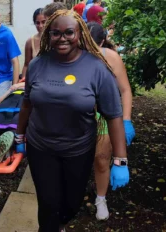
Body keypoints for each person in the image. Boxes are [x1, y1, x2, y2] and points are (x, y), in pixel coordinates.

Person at [15, 9, 130, 231]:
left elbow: (113, 116)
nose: (62, 38)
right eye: (56, 33)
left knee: (71, 204)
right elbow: (27, 103)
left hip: (78, 149)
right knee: (48, 205)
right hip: (41, 147)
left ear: (80, 34)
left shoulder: (96, 68)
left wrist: (120, 160)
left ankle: (60, 223)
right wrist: (20, 135)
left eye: (69, 32)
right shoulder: (38, 64)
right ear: (49, 34)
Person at [87, 21, 135, 221]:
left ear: (103, 42)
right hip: (80, 116)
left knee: (101, 159)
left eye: (93, 46)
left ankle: (100, 198)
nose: (89, 50)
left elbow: (125, 90)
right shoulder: (74, 54)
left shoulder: (112, 58)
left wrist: (126, 120)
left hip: (106, 116)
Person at [21, 8, 45, 79]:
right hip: (35, 80)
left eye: (43, 22)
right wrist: (23, 80)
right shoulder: (30, 42)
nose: (40, 26)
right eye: (37, 23)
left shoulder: (54, 40)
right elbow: (26, 65)